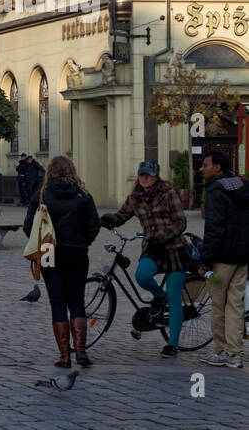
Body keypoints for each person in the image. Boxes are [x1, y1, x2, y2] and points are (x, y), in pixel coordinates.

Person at [100, 160, 196, 357]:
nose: (145, 178)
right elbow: (121, 216)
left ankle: (173, 344)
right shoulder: (135, 198)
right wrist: (107, 219)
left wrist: (163, 237)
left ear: (156, 176)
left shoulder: (168, 194)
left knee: (175, 297)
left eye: (149, 175)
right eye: (142, 174)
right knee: (142, 276)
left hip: (174, 248)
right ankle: (159, 297)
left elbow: (181, 222)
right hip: (152, 248)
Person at [23, 155, 101, 367]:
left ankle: (65, 356)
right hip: (77, 253)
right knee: (77, 302)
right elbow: (94, 225)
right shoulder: (83, 195)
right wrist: (83, 241)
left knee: (58, 304)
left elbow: (28, 226)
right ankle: (81, 352)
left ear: (50, 171)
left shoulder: (42, 195)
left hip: (49, 252)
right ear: (71, 171)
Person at [196, 150, 248, 368]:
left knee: (218, 305)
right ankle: (235, 354)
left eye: (205, 164)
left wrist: (205, 260)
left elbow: (214, 229)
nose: (202, 168)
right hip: (242, 257)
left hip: (222, 260)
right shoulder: (243, 186)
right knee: (235, 304)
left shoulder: (216, 191)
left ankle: (221, 351)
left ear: (217, 167)